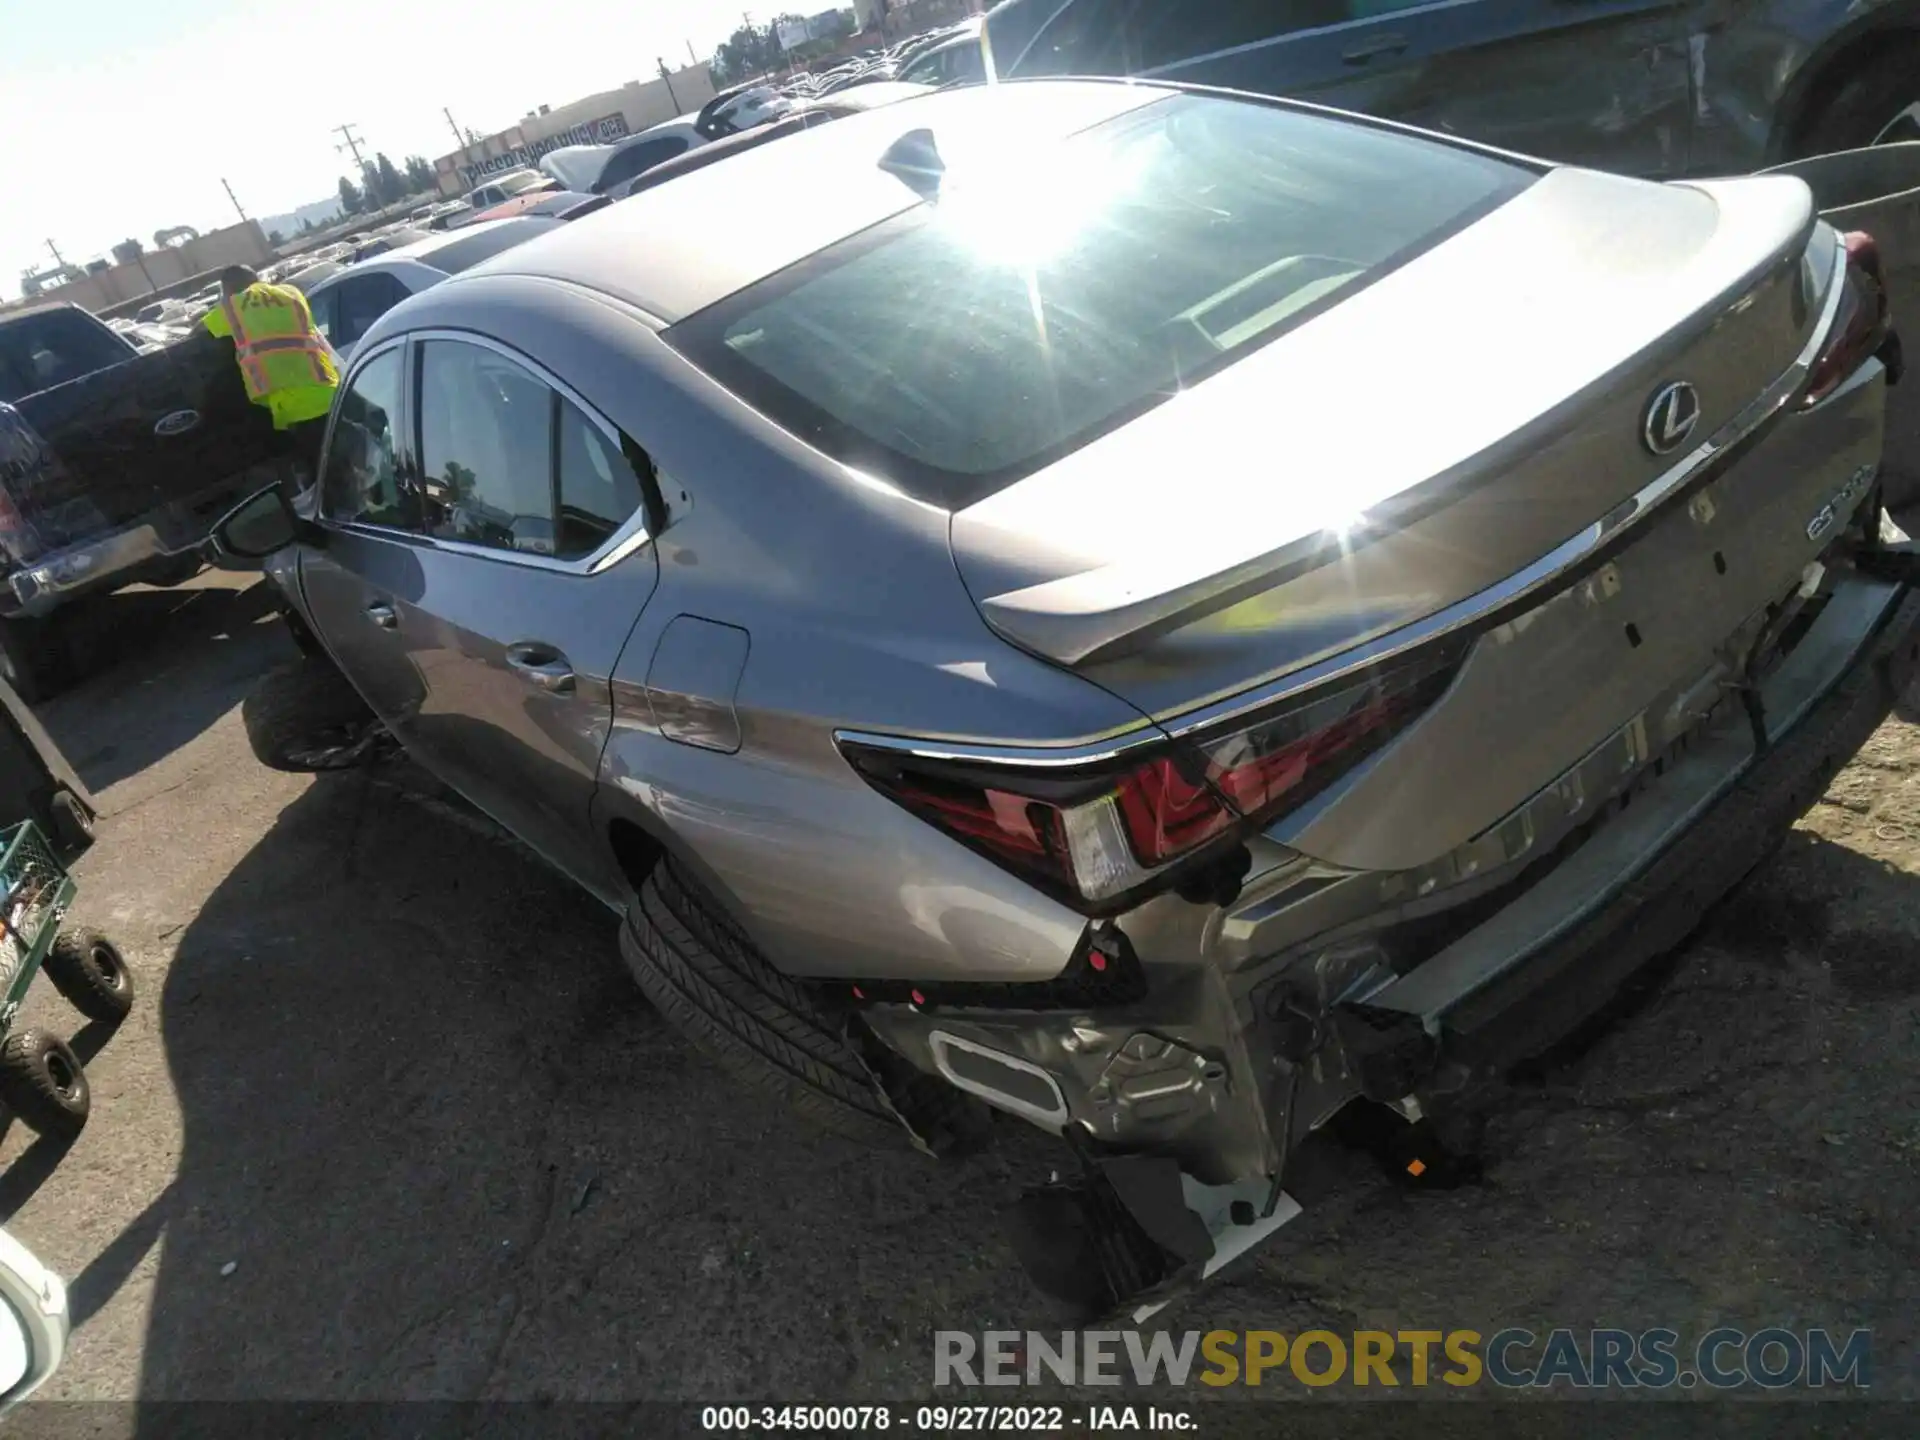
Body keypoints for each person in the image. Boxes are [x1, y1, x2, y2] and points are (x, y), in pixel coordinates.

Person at [201, 264, 339, 489]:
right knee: (344, 467)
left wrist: (223, 303)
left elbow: (200, 331)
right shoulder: (290, 292)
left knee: (328, 481)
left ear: (228, 289)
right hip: (328, 388)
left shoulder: (234, 307)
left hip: (300, 405)